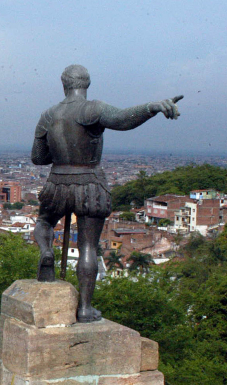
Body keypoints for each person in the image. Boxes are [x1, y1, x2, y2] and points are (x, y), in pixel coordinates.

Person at [31, 64, 182, 322]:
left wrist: (60, 150)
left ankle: (46, 250)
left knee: (44, 221)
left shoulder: (48, 115)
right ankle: (85, 308)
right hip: (90, 183)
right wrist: (152, 107)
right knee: (88, 246)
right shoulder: (93, 109)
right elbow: (123, 120)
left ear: (64, 84)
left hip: (57, 182)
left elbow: (38, 157)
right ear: (86, 84)